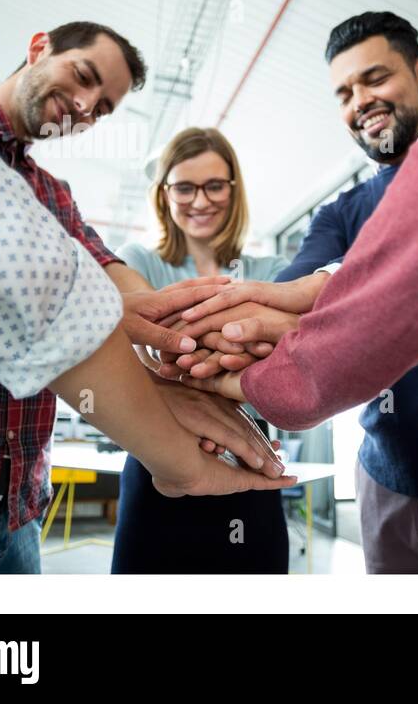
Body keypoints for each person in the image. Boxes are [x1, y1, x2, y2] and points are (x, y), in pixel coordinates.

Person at [171, 11, 418, 574]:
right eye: (344, 92)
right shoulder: (342, 212)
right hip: (384, 484)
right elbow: (286, 297)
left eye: (374, 79)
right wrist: (220, 330)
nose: (360, 99)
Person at [0, 23, 284, 573]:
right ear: (39, 45)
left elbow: (110, 276)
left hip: (14, 510)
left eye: (104, 106)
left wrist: (178, 335)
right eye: (85, 76)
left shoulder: (52, 193)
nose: (85, 105)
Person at [111, 127, 292, 574]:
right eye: (185, 187)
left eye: (214, 186)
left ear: (234, 189)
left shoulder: (272, 269)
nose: (200, 200)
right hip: (157, 469)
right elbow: (124, 350)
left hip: (251, 467)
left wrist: (176, 342)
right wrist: (244, 329)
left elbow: (290, 359)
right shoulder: (135, 260)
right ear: (164, 193)